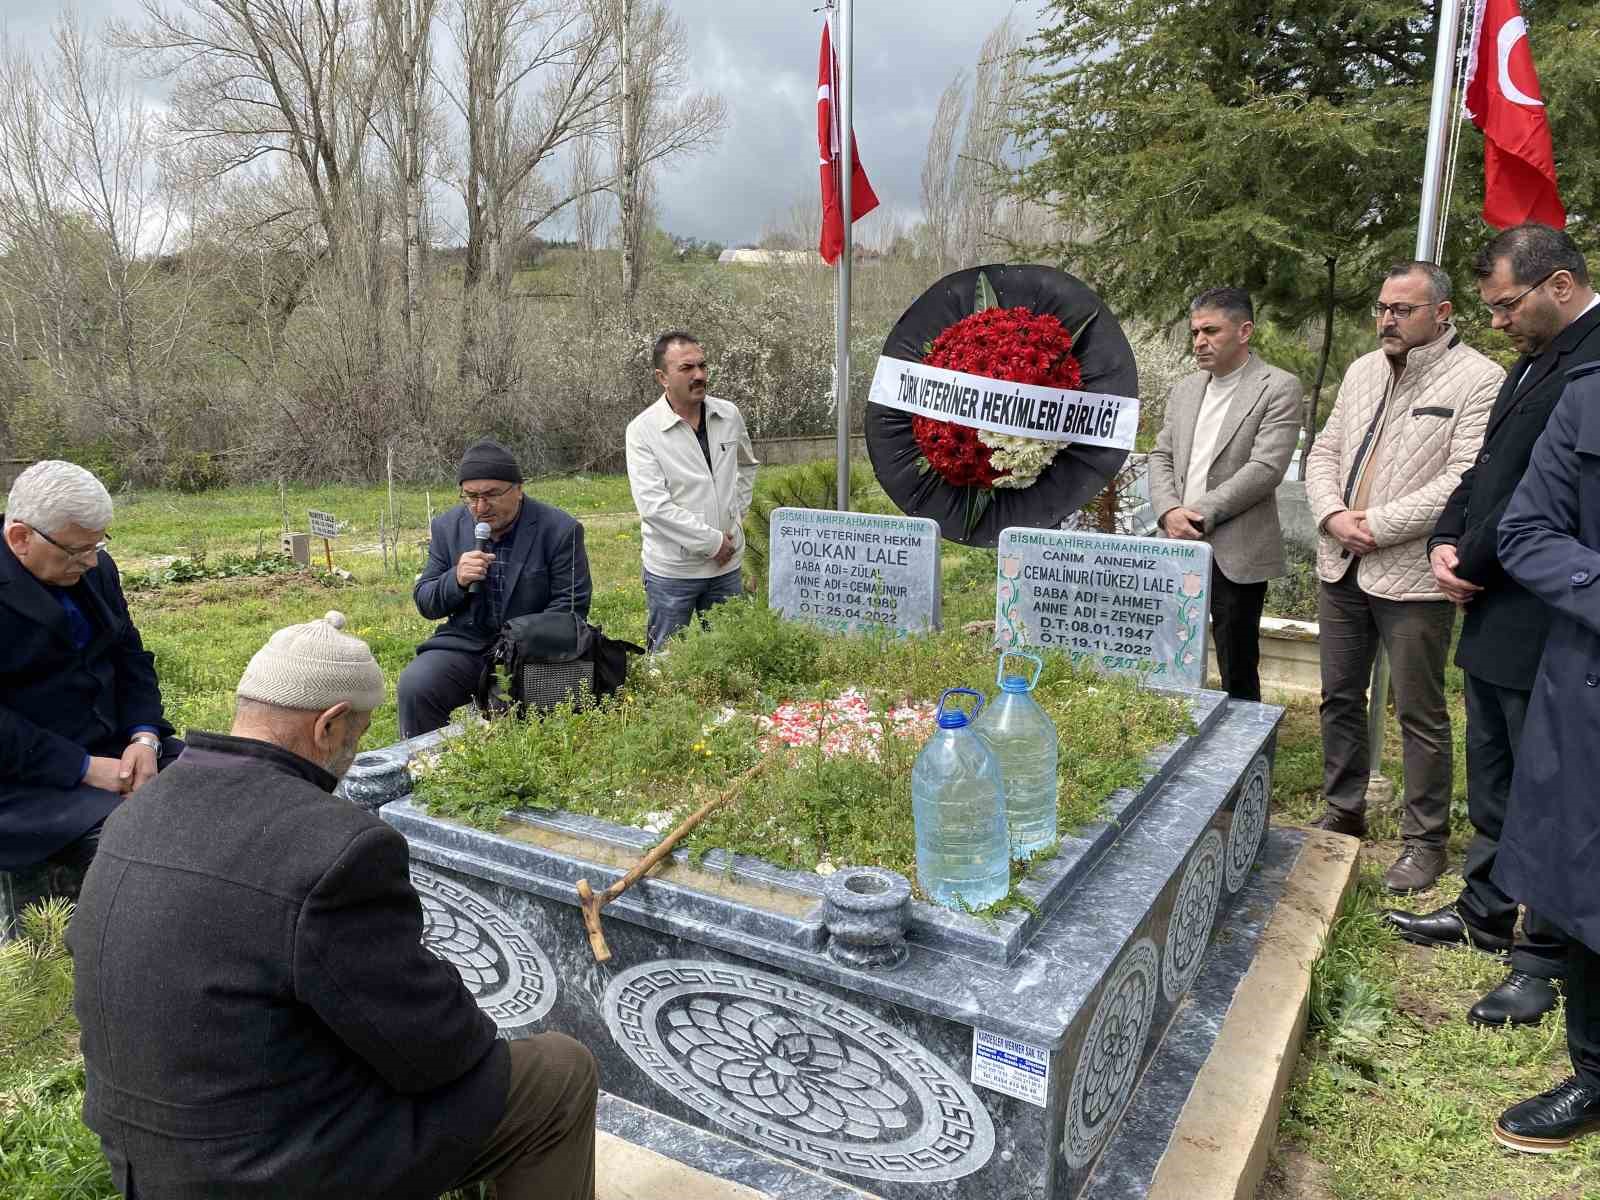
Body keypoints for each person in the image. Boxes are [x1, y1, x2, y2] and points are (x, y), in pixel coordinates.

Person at [68, 611, 599, 1198]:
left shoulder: (137, 810)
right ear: (329, 725)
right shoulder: (335, 848)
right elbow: (439, 1048)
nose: (353, 752)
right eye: (360, 734)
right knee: (556, 1072)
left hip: (145, 1161)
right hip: (270, 1173)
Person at [1385, 225, 1600, 1027]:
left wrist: (1470, 559)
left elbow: (1541, 503)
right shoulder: (1535, 359)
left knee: (1554, 794)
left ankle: (1539, 961)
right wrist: (1447, 537)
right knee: (1498, 770)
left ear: (1561, 286)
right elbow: (1488, 469)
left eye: (1508, 305)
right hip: (1496, 606)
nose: (1499, 321)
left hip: (1556, 615)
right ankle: (1483, 909)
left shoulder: (1592, 359)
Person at [1304, 260, 1502, 894]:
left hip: (1413, 574)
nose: (1387, 319)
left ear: (1441, 313)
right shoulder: (1364, 369)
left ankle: (1425, 840)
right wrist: (1333, 515)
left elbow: (1464, 478)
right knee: (1339, 695)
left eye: (1402, 310)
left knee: (1418, 710)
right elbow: (1326, 449)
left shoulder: (1479, 379)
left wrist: (1379, 524)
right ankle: (1344, 808)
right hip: (1341, 560)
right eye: (1383, 308)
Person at [1489, 360, 1600, 1152]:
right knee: (1589, 884)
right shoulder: (1589, 397)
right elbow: (1527, 530)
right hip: (1593, 682)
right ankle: (1595, 1076)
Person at [1, 460, 181, 884]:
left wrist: (144, 737)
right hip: (25, 781)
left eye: (97, 546)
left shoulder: (97, 569)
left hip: (119, 749)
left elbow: (130, 655)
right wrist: (83, 768)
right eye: (77, 550)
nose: (90, 561)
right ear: (20, 537)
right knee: (146, 846)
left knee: (231, 788)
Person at [1147, 287, 1303, 700]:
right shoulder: (1184, 390)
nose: (1199, 341)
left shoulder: (1278, 387)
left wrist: (1194, 514)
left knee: (1237, 662)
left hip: (1237, 551)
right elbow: (1160, 455)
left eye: (1211, 331)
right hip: (1176, 545)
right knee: (1168, 652)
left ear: (1245, 330)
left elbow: (1266, 468)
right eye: (1195, 332)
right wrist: (1167, 512)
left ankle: (1245, 752)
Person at [399, 440, 592, 737]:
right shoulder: (447, 527)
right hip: (468, 644)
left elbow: (570, 608)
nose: (480, 507)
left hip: (534, 650)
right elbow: (426, 601)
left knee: (519, 722)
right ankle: (428, 769)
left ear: (518, 489)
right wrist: (457, 579)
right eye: (471, 496)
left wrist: (516, 646)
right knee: (417, 685)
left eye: (490, 495)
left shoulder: (559, 529)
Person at [625, 331, 758, 652]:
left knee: (734, 654)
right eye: (686, 368)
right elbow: (654, 507)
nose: (699, 375)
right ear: (662, 377)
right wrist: (712, 542)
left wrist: (734, 517)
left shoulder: (728, 414)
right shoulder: (643, 431)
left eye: (702, 366)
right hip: (674, 572)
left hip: (727, 566)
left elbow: (747, 465)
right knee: (666, 663)